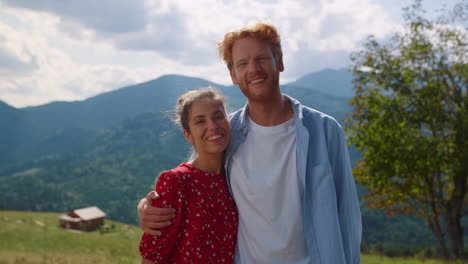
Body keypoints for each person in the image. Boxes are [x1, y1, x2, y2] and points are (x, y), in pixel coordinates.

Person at [138, 22, 362, 263]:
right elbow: (195, 176)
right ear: (233, 75)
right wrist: (148, 207)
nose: (253, 69)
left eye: (262, 59)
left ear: (280, 62)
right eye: (242, 63)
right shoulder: (227, 133)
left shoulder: (324, 130)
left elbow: (347, 218)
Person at [139, 87, 238, 263]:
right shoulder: (177, 181)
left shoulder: (234, 175)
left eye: (218, 116)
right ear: (188, 135)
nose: (213, 126)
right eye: (200, 121)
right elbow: (153, 255)